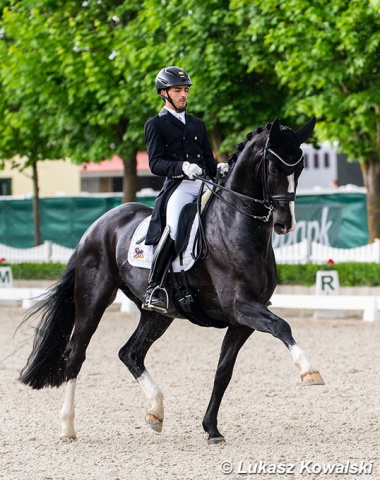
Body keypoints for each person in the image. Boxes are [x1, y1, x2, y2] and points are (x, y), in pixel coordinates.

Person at [142, 65, 229, 313]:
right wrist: (182, 166)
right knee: (173, 226)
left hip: (204, 184)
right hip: (179, 186)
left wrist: (219, 168)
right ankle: (154, 288)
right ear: (164, 93)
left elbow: (209, 162)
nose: (183, 95)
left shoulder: (197, 124)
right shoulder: (155, 125)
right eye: (178, 90)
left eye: (185, 90)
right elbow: (155, 163)